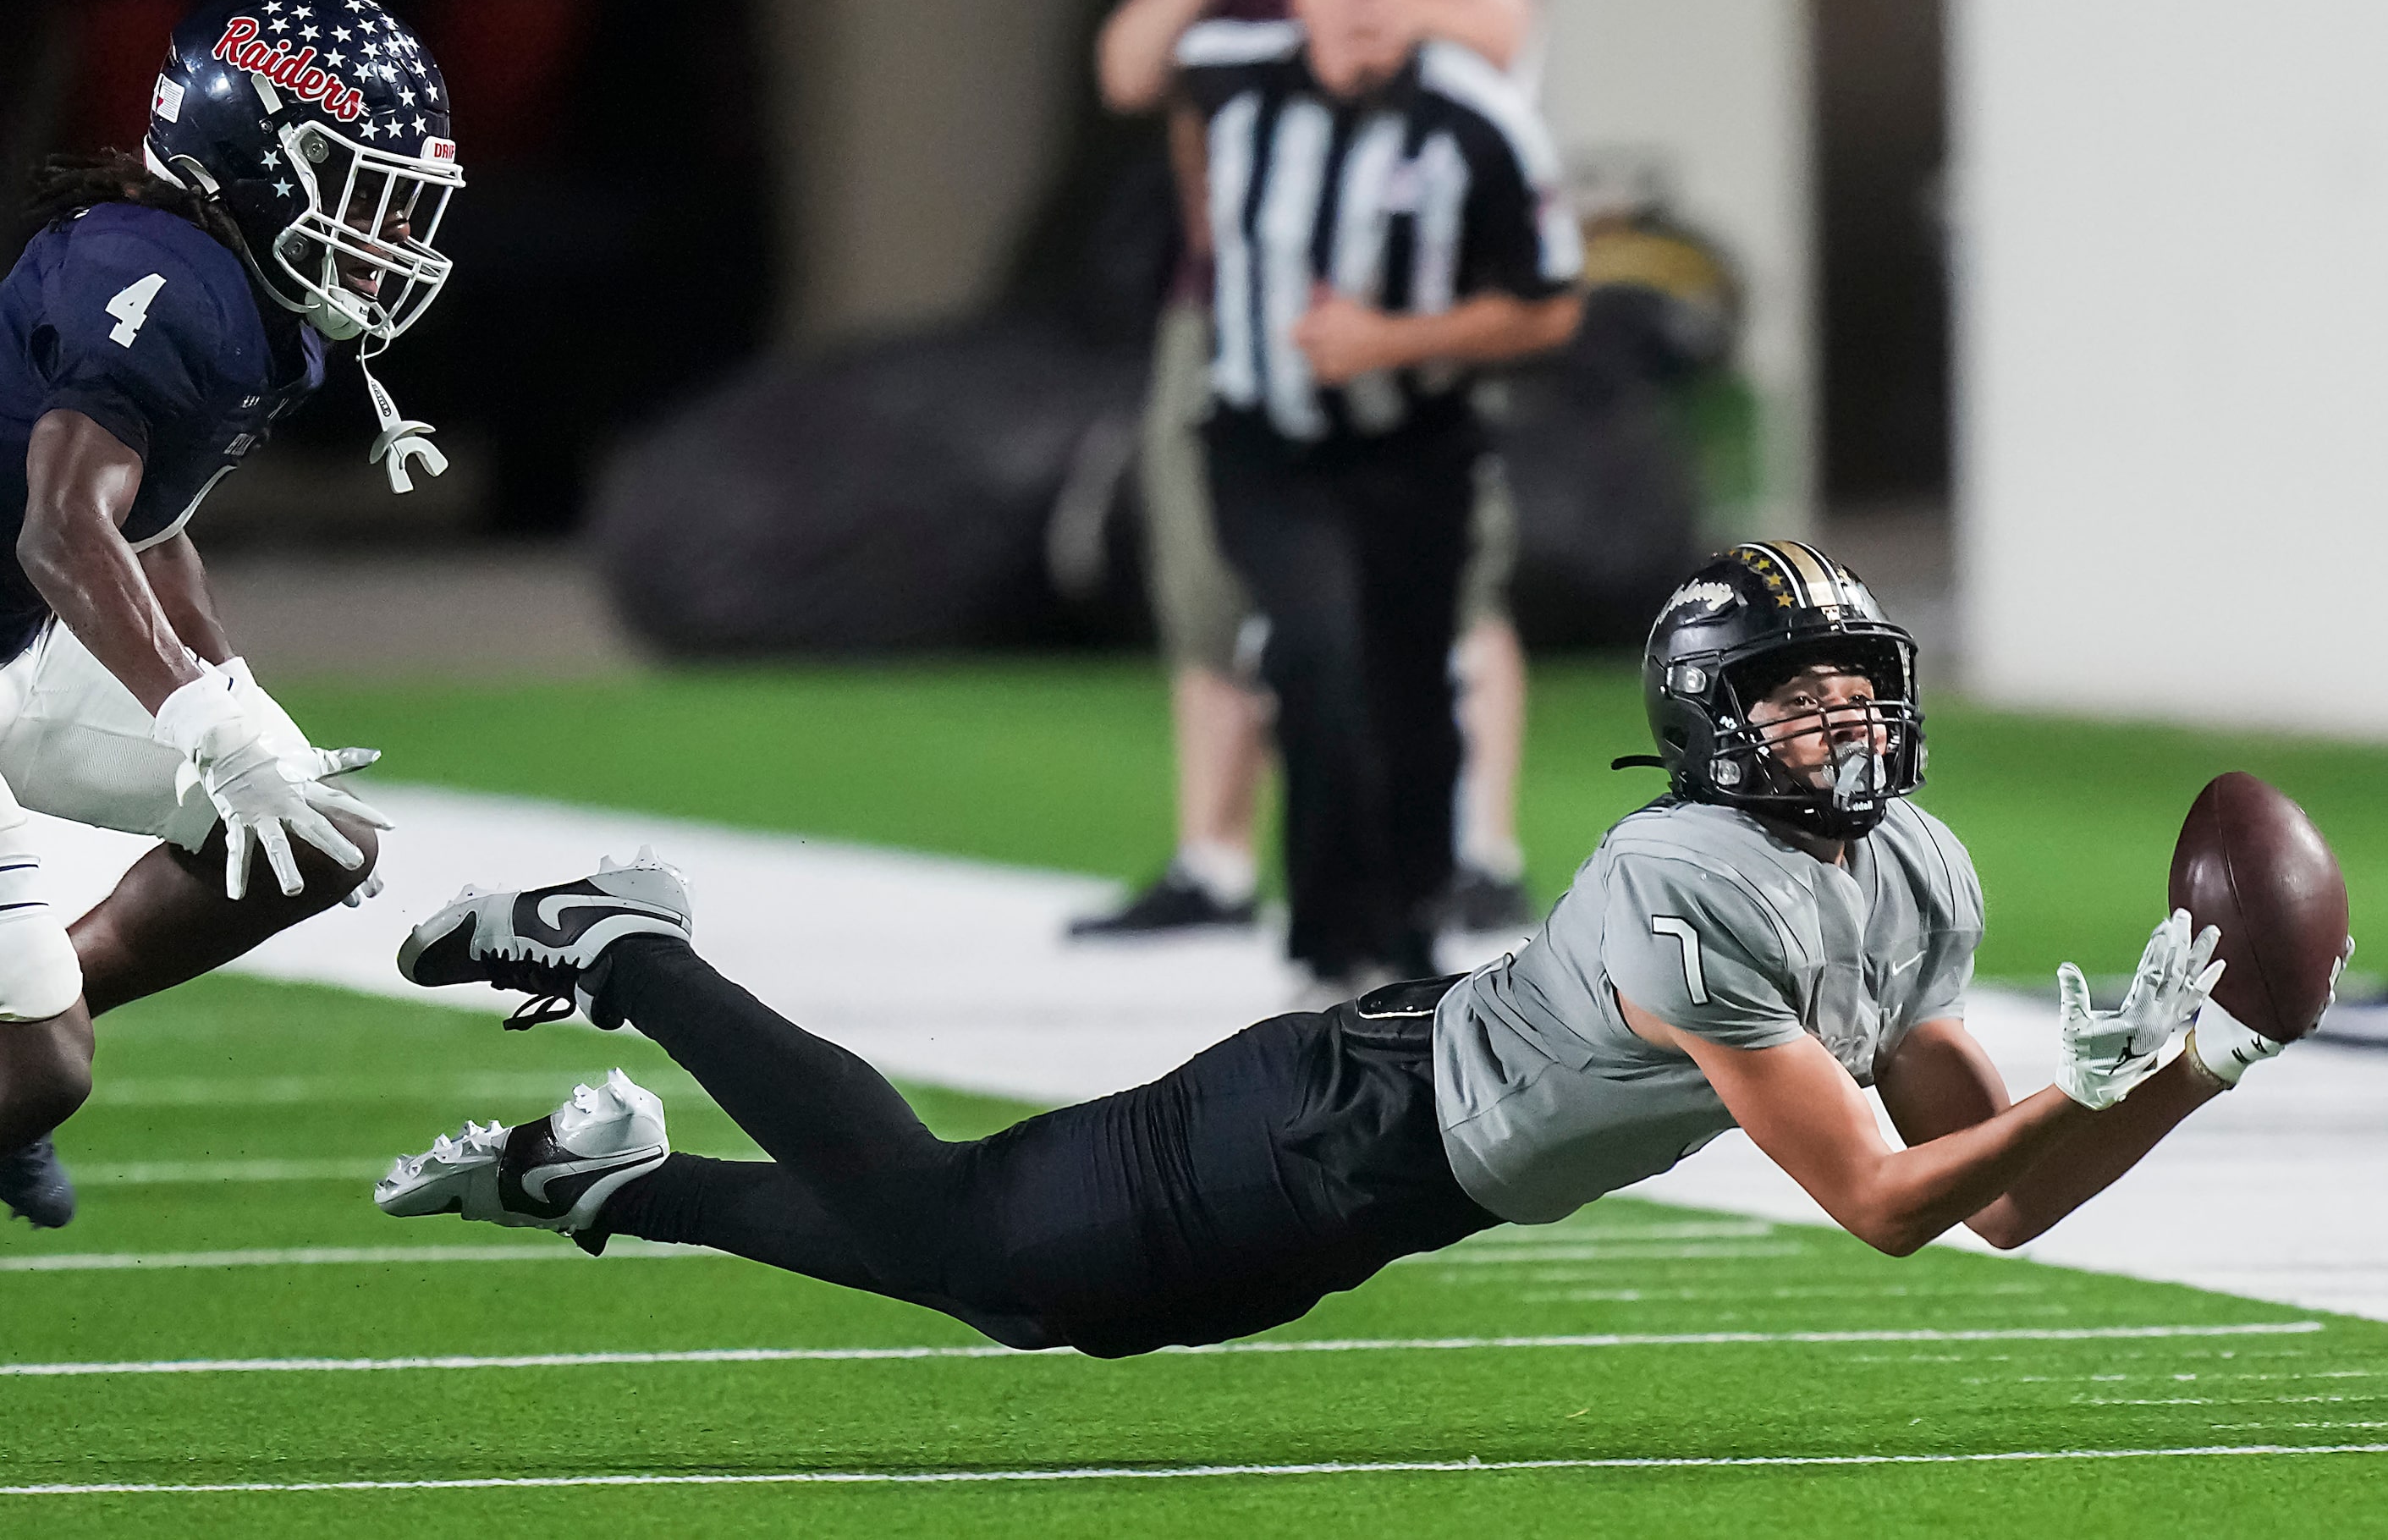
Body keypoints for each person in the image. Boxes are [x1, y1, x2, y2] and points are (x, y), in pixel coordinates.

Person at [378, 541, 2330, 1358]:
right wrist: (2103, 1077)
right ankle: (631, 957)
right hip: (1345, 1117)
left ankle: (605, 1175)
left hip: (1401, 1180)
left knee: (1014, 1281)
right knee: (976, 1247)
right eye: (1798, 696)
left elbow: (1995, 1196)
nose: (1843, 725)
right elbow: (1892, 1202)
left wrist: (2190, 1066)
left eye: (1857, 692)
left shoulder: (1921, 873)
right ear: (1717, 716)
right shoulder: (1682, 875)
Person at [0, 0, 465, 1226]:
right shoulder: (161, 282)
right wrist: (197, 718)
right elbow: (63, 528)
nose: (386, 236)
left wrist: (236, 695)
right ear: (256, 156)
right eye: (361, 189)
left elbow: (150, 526)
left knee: (313, 837)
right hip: (26, 612)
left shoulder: (239, 293)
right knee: (41, 1068)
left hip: (20, 640)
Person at [1072, 0, 1544, 943]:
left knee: (1446, 587)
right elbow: (1127, 72)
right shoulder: (1232, 4)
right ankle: (1216, 857)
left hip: (1409, 312)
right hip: (1235, 316)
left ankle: (1475, 850)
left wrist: (1371, 1)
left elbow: (1498, 34)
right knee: (1208, 586)